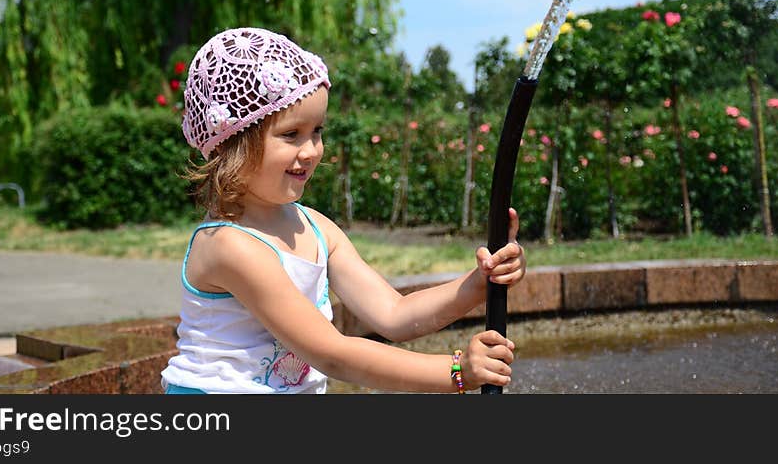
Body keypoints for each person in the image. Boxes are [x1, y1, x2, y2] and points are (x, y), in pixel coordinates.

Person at [160, 27, 526, 394]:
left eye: (317, 131)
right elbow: (331, 354)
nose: (311, 151)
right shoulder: (229, 244)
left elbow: (394, 315)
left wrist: (480, 282)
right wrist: (457, 371)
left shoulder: (316, 228)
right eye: (291, 135)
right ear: (231, 144)